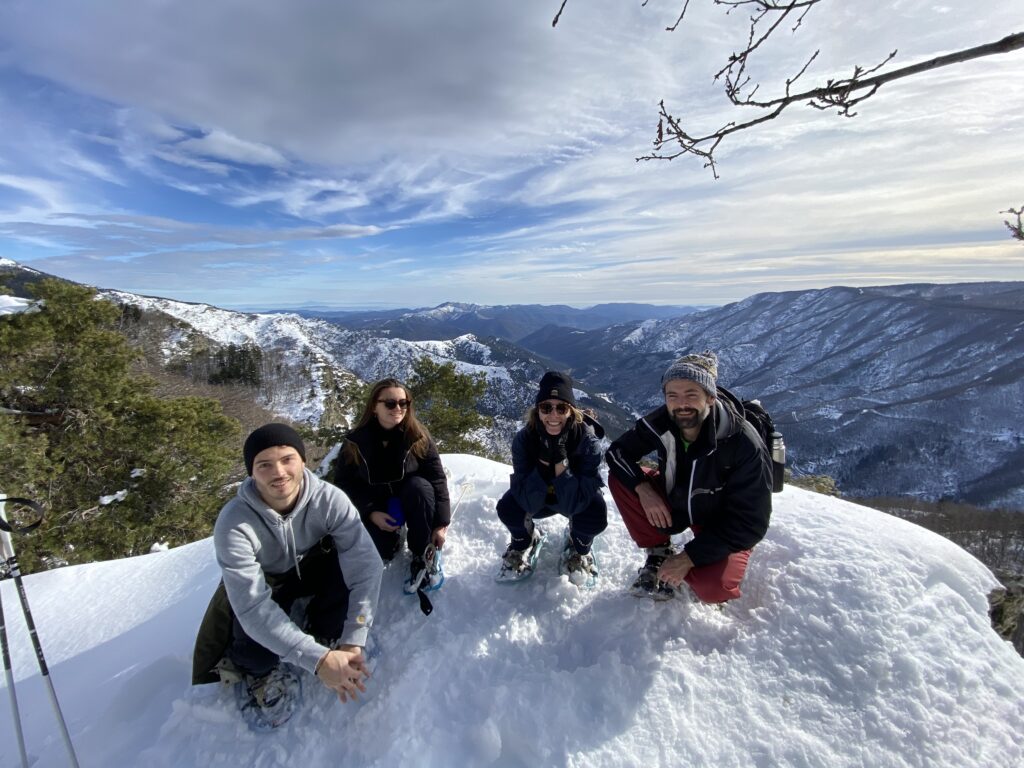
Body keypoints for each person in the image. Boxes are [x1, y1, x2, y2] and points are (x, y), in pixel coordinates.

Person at [191, 423, 383, 728]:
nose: (278, 472)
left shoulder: (328, 500)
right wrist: (317, 661)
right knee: (257, 652)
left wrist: (354, 637)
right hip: (267, 581)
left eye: (287, 459)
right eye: (264, 464)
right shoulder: (235, 522)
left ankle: (326, 632)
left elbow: (365, 565)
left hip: (312, 565)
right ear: (251, 472)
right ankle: (261, 675)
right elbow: (253, 609)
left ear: (303, 461)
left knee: (343, 583)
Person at [605, 350, 772, 602]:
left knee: (712, 588)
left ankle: (708, 557)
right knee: (622, 479)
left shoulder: (744, 443)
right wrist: (643, 487)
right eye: (673, 395)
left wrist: (688, 558)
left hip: (721, 523)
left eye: (691, 394)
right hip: (679, 503)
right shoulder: (664, 420)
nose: (681, 403)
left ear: (710, 398)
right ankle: (659, 551)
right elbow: (617, 453)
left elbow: (751, 523)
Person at [333, 378, 451, 584]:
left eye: (403, 403)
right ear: (374, 407)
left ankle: (421, 554)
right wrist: (370, 512)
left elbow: (437, 479)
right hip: (378, 505)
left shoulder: (418, 437)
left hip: (412, 498)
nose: (398, 408)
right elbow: (344, 485)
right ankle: (394, 539)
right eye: (390, 403)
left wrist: (441, 524)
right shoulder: (355, 443)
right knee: (379, 553)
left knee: (420, 487)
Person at [496, 371, 607, 582]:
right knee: (508, 507)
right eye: (546, 407)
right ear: (537, 411)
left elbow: (582, 496)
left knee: (595, 512)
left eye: (561, 408)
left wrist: (561, 463)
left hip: (574, 499)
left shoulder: (587, 442)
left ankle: (579, 546)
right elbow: (524, 495)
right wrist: (544, 460)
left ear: (571, 412)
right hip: (538, 500)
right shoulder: (525, 440)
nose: (553, 415)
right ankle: (523, 542)